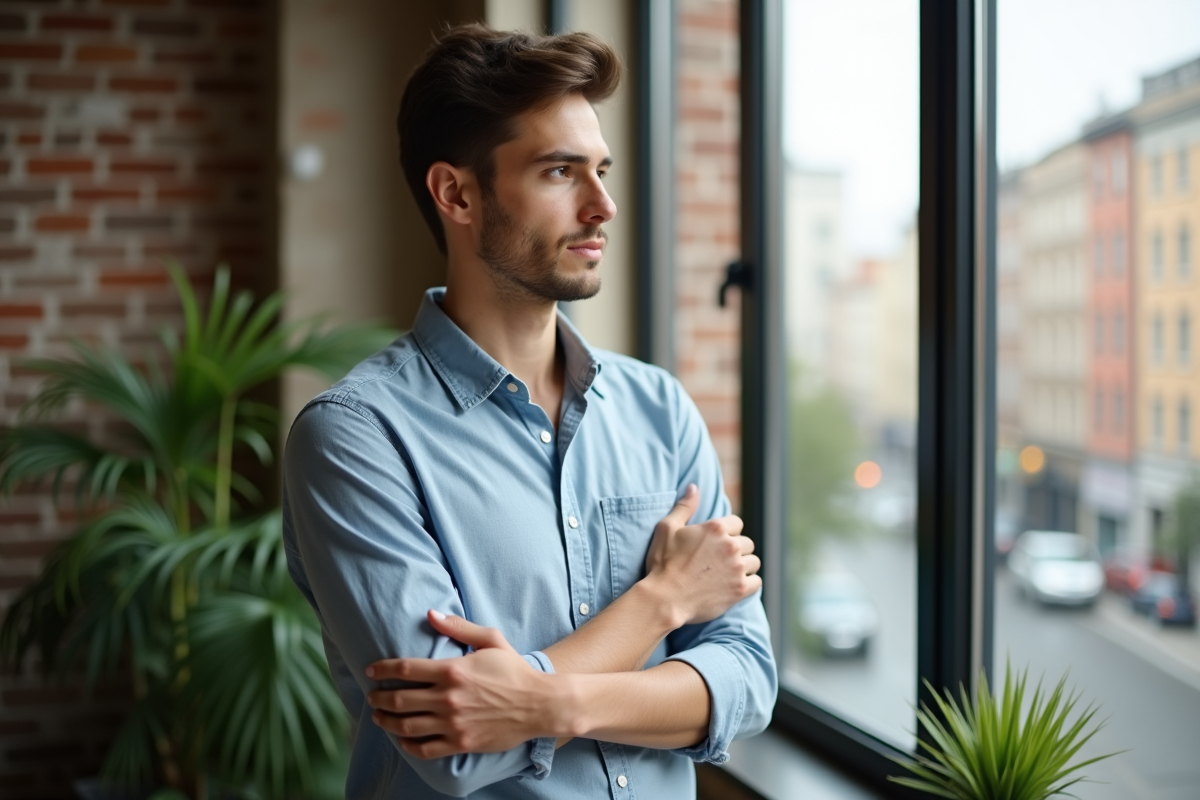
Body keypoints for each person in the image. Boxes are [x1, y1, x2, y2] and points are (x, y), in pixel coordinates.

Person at [282, 23, 776, 799]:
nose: (604, 205)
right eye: (559, 172)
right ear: (457, 193)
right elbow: (454, 749)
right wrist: (661, 604)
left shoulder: (659, 410)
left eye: (602, 170)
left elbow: (745, 680)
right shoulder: (353, 437)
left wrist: (541, 701)